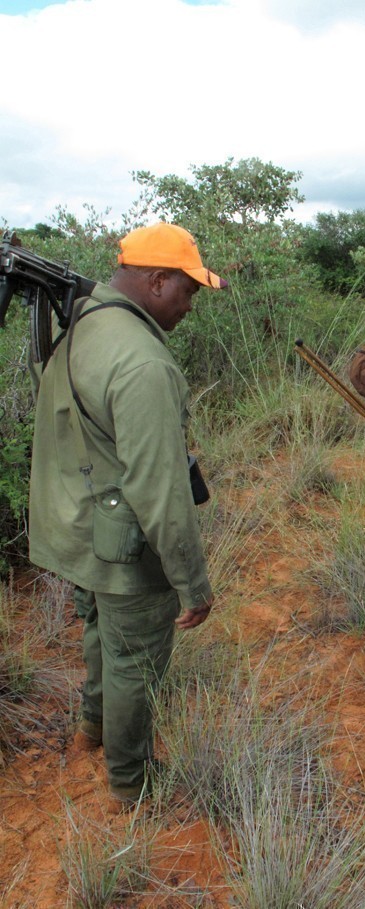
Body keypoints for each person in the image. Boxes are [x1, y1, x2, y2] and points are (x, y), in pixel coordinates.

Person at [29, 223, 227, 807]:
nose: (190, 306)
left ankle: (93, 727)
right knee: (135, 661)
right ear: (157, 279)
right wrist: (192, 584)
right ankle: (129, 783)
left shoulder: (85, 321)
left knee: (101, 633)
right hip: (121, 541)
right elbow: (161, 492)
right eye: (187, 291)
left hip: (77, 527)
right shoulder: (143, 362)